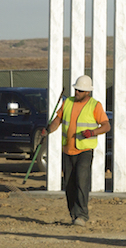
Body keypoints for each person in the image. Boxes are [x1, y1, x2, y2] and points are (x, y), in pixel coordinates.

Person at [42, 74, 111, 226]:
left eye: (80, 90)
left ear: (88, 92)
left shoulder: (95, 105)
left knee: (81, 180)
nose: (77, 92)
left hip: (84, 150)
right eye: (76, 89)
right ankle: (73, 214)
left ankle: (82, 215)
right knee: (69, 184)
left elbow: (106, 126)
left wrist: (92, 132)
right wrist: (48, 130)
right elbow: (58, 120)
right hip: (67, 150)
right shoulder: (67, 103)